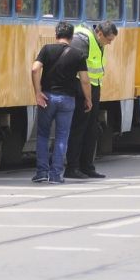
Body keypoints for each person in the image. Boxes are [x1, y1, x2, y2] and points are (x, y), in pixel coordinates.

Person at [30, 21, 92, 184]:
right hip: (67, 100)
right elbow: (85, 80)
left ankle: (42, 172)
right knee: (62, 136)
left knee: (43, 135)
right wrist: (88, 99)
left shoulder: (47, 49)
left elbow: (35, 69)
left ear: (56, 35)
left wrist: (38, 92)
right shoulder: (78, 54)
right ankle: (56, 175)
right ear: (72, 37)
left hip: (48, 98)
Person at [65, 20, 118, 180]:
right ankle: (72, 167)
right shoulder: (83, 39)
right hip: (81, 88)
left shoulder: (97, 41)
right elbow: (77, 67)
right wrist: (87, 96)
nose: (109, 44)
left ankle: (87, 166)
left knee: (91, 129)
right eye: (108, 40)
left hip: (93, 87)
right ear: (100, 33)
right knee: (79, 128)